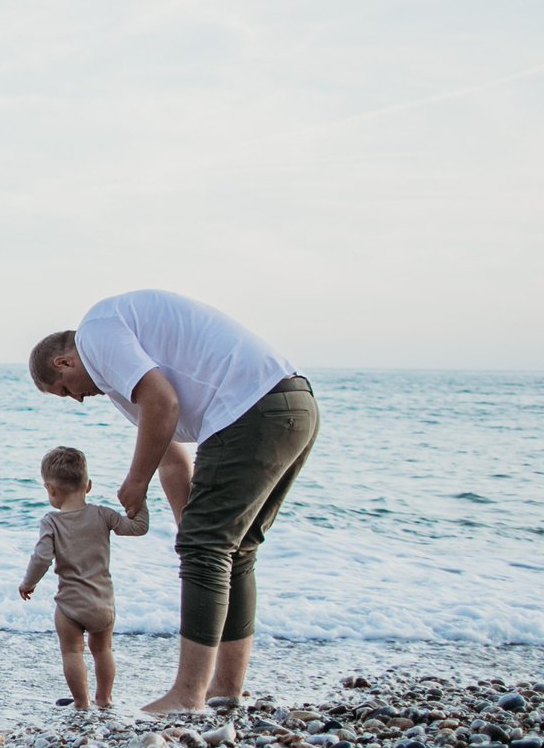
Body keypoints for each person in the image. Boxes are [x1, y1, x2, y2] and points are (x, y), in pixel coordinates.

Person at [29, 290, 319, 715]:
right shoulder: (124, 378)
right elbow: (171, 456)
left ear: (63, 362)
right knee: (231, 552)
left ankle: (186, 697)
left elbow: (164, 403)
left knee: (211, 550)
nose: (76, 400)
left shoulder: (95, 333)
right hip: (292, 405)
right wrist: (189, 529)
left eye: (65, 392)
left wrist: (135, 482)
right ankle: (223, 692)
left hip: (250, 407)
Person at [18, 445, 147, 711]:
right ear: (87, 486)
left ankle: (81, 702)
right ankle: (104, 698)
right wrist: (139, 499)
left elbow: (42, 557)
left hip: (70, 605)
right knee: (103, 651)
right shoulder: (104, 514)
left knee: (72, 652)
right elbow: (138, 527)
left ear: (50, 489)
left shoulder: (52, 522)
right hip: (102, 603)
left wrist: (28, 583)